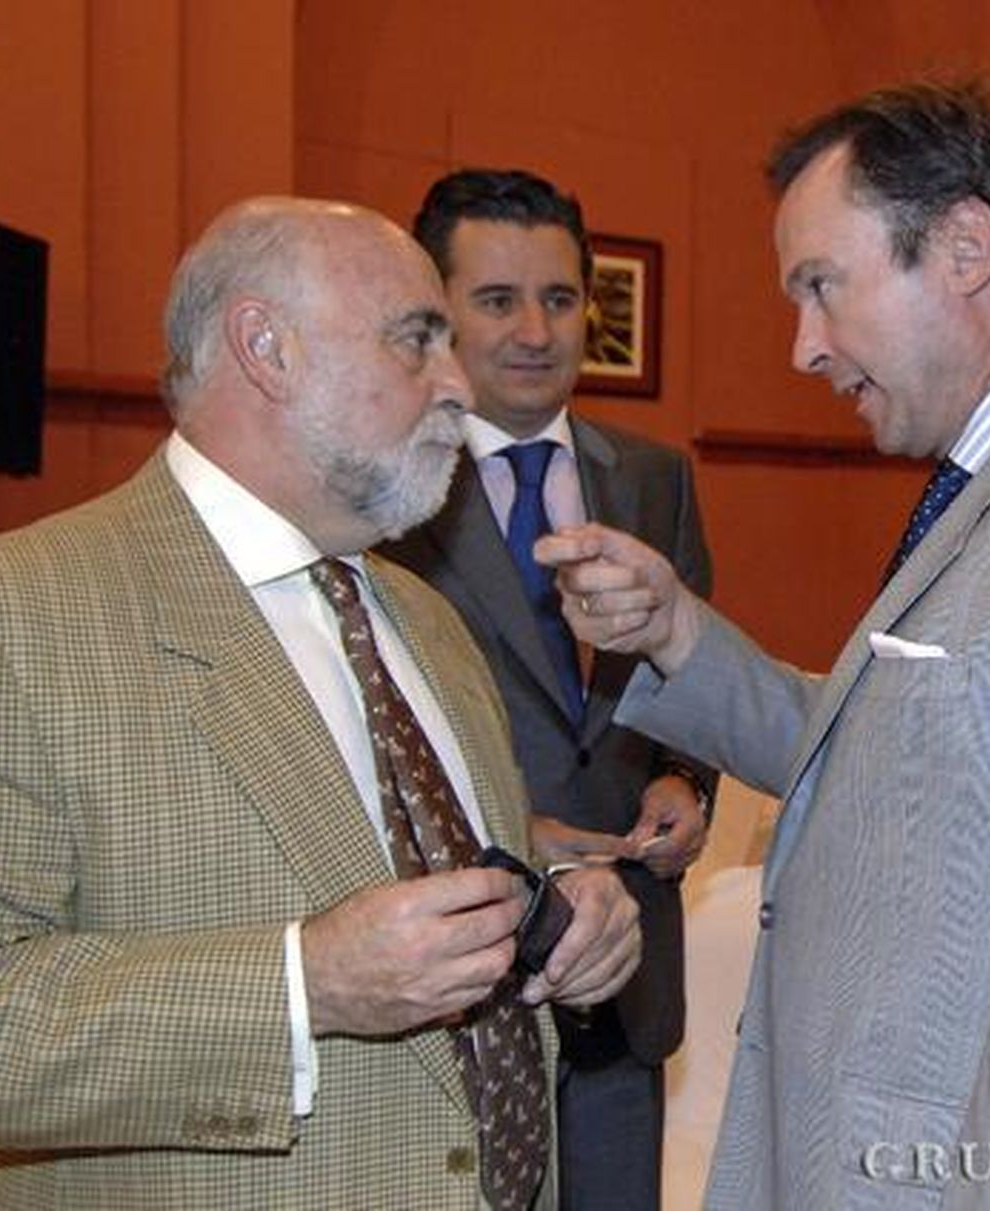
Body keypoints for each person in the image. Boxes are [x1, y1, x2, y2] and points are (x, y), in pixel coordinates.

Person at [0, 197, 643, 1210]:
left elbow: (396, 881)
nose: (459, 385)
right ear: (265, 347)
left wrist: (559, 912)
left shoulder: (424, 621)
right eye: (418, 339)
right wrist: (296, 986)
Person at [539, 82, 990, 1210]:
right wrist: (675, 630)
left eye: (822, 287)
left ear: (968, 246)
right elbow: (886, 768)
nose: (802, 347)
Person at [382, 168, 715, 1211]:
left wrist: (683, 780)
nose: (535, 329)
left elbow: (689, 669)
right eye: (497, 300)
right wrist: (505, 823)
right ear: (438, 313)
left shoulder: (652, 478)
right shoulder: (384, 490)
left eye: (560, 299)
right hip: (467, 969)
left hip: (629, 969)